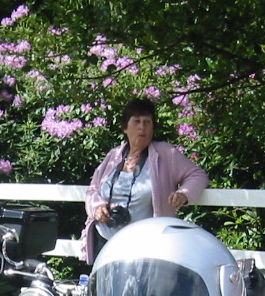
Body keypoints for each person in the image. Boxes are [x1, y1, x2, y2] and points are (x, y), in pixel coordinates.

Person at [80, 97, 208, 262]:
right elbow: (92, 190)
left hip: (144, 244)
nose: (142, 127)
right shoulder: (114, 156)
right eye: (136, 121)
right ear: (125, 127)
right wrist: (97, 208)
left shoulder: (164, 154)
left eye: (147, 122)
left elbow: (198, 175)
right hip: (104, 241)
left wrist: (183, 194)